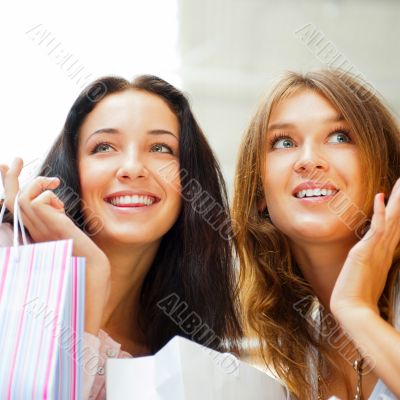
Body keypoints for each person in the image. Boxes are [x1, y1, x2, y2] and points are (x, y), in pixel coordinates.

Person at [0, 75, 242, 399]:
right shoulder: (11, 277)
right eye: (104, 147)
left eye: (160, 148)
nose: (132, 168)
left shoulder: (184, 359)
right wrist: (89, 273)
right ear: (72, 169)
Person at [233, 69, 400, 399]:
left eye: (339, 137)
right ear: (260, 194)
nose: (309, 161)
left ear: (383, 171)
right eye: (284, 142)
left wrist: (356, 310)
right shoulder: (300, 362)